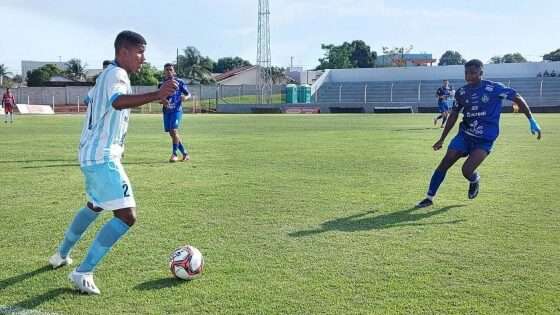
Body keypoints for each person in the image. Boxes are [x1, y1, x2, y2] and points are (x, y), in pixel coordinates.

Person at [48, 30, 177, 295]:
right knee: (127, 216)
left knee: (94, 205)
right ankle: (83, 271)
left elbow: (96, 101)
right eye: (140, 52)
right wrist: (156, 93)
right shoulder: (117, 74)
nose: (144, 58)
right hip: (102, 157)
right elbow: (117, 102)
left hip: (91, 154)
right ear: (123, 52)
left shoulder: (105, 77)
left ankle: (60, 255)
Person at [416, 59, 542, 208]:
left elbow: (517, 98)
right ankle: (429, 197)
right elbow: (454, 115)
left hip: (484, 140)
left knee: (467, 170)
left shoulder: (494, 88)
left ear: (481, 73)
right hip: (464, 136)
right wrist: (442, 138)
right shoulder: (462, 92)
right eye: (466, 73)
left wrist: (531, 120)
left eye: (473, 73)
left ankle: (474, 179)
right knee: (444, 164)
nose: (469, 76)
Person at [159, 63, 191, 162]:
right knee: (172, 134)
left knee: (173, 130)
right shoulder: (161, 84)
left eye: (170, 69)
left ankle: (174, 154)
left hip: (176, 110)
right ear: (164, 72)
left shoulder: (179, 82)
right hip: (166, 111)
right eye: (167, 70)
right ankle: (185, 154)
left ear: (174, 71)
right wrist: (162, 100)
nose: (169, 71)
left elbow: (188, 94)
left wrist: (185, 97)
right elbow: (159, 98)